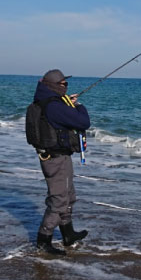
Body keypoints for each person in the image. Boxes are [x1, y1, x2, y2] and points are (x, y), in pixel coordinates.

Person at [32, 69, 91, 255]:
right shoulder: (54, 107)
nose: (66, 86)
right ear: (53, 86)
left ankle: (68, 234)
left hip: (57, 157)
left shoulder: (48, 102)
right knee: (59, 200)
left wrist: (68, 104)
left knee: (68, 195)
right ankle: (43, 240)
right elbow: (83, 122)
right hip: (55, 160)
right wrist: (79, 106)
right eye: (63, 84)